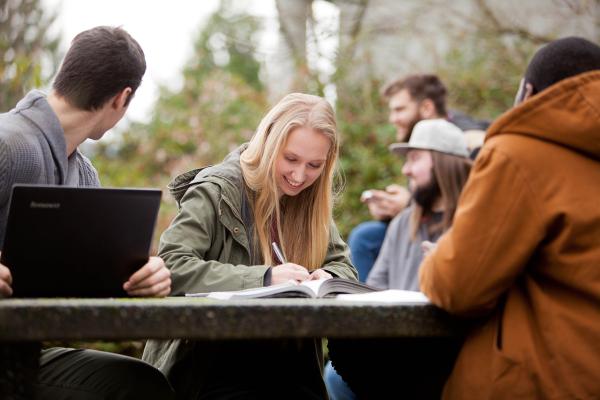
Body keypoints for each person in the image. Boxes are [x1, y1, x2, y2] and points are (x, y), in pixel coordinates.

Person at [142, 93, 358, 399]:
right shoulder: (217, 189)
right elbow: (172, 265)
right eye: (291, 159)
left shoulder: (311, 202)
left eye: (314, 165)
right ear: (269, 142)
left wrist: (328, 278)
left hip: (291, 371)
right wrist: (265, 279)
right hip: (210, 367)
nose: (299, 176)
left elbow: (344, 266)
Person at [419, 36, 600, 398]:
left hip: (540, 379)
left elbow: (459, 287)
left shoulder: (517, 153)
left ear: (527, 92)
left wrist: (437, 258)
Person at [0, 26, 174, 399]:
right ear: (122, 98)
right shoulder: (7, 142)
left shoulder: (84, 175)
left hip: (22, 354)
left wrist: (140, 279)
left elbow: (88, 288)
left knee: (140, 385)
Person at [325, 119, 472, 399]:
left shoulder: (473, 222)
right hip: (400, 344)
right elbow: (375, 289)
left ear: (443, 162)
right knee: (337, 366)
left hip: (446, 348)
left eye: (415, 158)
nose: (405, 170)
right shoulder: (404, 222)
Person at [349, 74, 486, 282]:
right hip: (413, 224)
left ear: (427, 108)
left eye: (399, 109)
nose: (392, 118)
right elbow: (376, 287)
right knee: (367, 235)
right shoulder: (404, 223)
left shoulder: (469, 139)